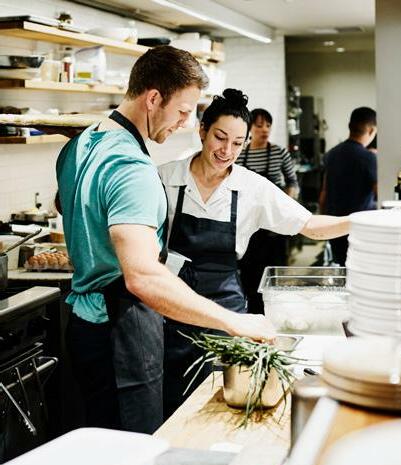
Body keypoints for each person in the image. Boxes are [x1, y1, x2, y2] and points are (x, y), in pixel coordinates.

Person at [56, 47, 275, 435]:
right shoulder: (132, 168)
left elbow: (66, 202)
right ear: (153, 98)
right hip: (122, 330)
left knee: (100, 439)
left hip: (83, 325)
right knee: (135, 447)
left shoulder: (80, 144)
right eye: (182, 111)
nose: (185, 122)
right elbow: (143, 276)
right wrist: (234, 321)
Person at [159, 89, 350, 417]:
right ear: (202, 130)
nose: (226, 151)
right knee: (172, 397)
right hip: (171, 307)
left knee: (222, 400)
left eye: (237, 143)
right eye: (220, 138)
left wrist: (363, 221)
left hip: (226, 308)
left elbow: (310, 225)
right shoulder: (165, 178)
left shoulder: (252, 188)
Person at [236, 108, 298, 314]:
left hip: (274, 225)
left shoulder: (279, 152)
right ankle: (254, 314)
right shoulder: (240, 154)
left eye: (268, 125)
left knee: (275, 272)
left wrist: (285, 208)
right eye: (259, 125)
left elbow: (292, 183)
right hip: (250, 224)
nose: (265, 130)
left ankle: (276, 313)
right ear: (249, 128)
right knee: (250, 274)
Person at [319, 107, 377, 266]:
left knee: (342, 270)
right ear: (371, 130)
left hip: (335, 226)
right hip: (360, 227)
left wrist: (324, 226)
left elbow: (324, 194)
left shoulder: (331, 154)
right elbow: (380, 192)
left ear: (350, 126)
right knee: (361, 270)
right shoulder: (369, 158)